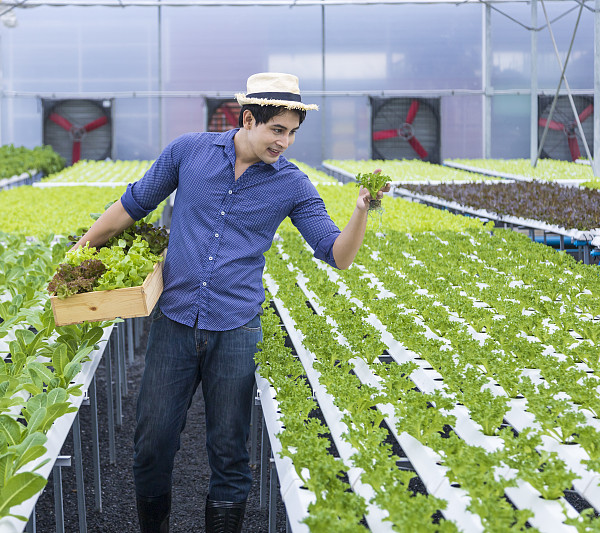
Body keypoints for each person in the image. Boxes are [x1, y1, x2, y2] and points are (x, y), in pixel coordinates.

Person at [69, 72, 389, 533]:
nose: (285, 142)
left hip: (236, 329)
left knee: (229, 452)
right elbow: (132, 204)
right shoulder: (188, 152)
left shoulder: (293, 186)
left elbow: (337, 255)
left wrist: (361, 209)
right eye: (277, 129)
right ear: (247, 119)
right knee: (152, 443)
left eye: (293, 133)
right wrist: (81, 251)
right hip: (175, 321)